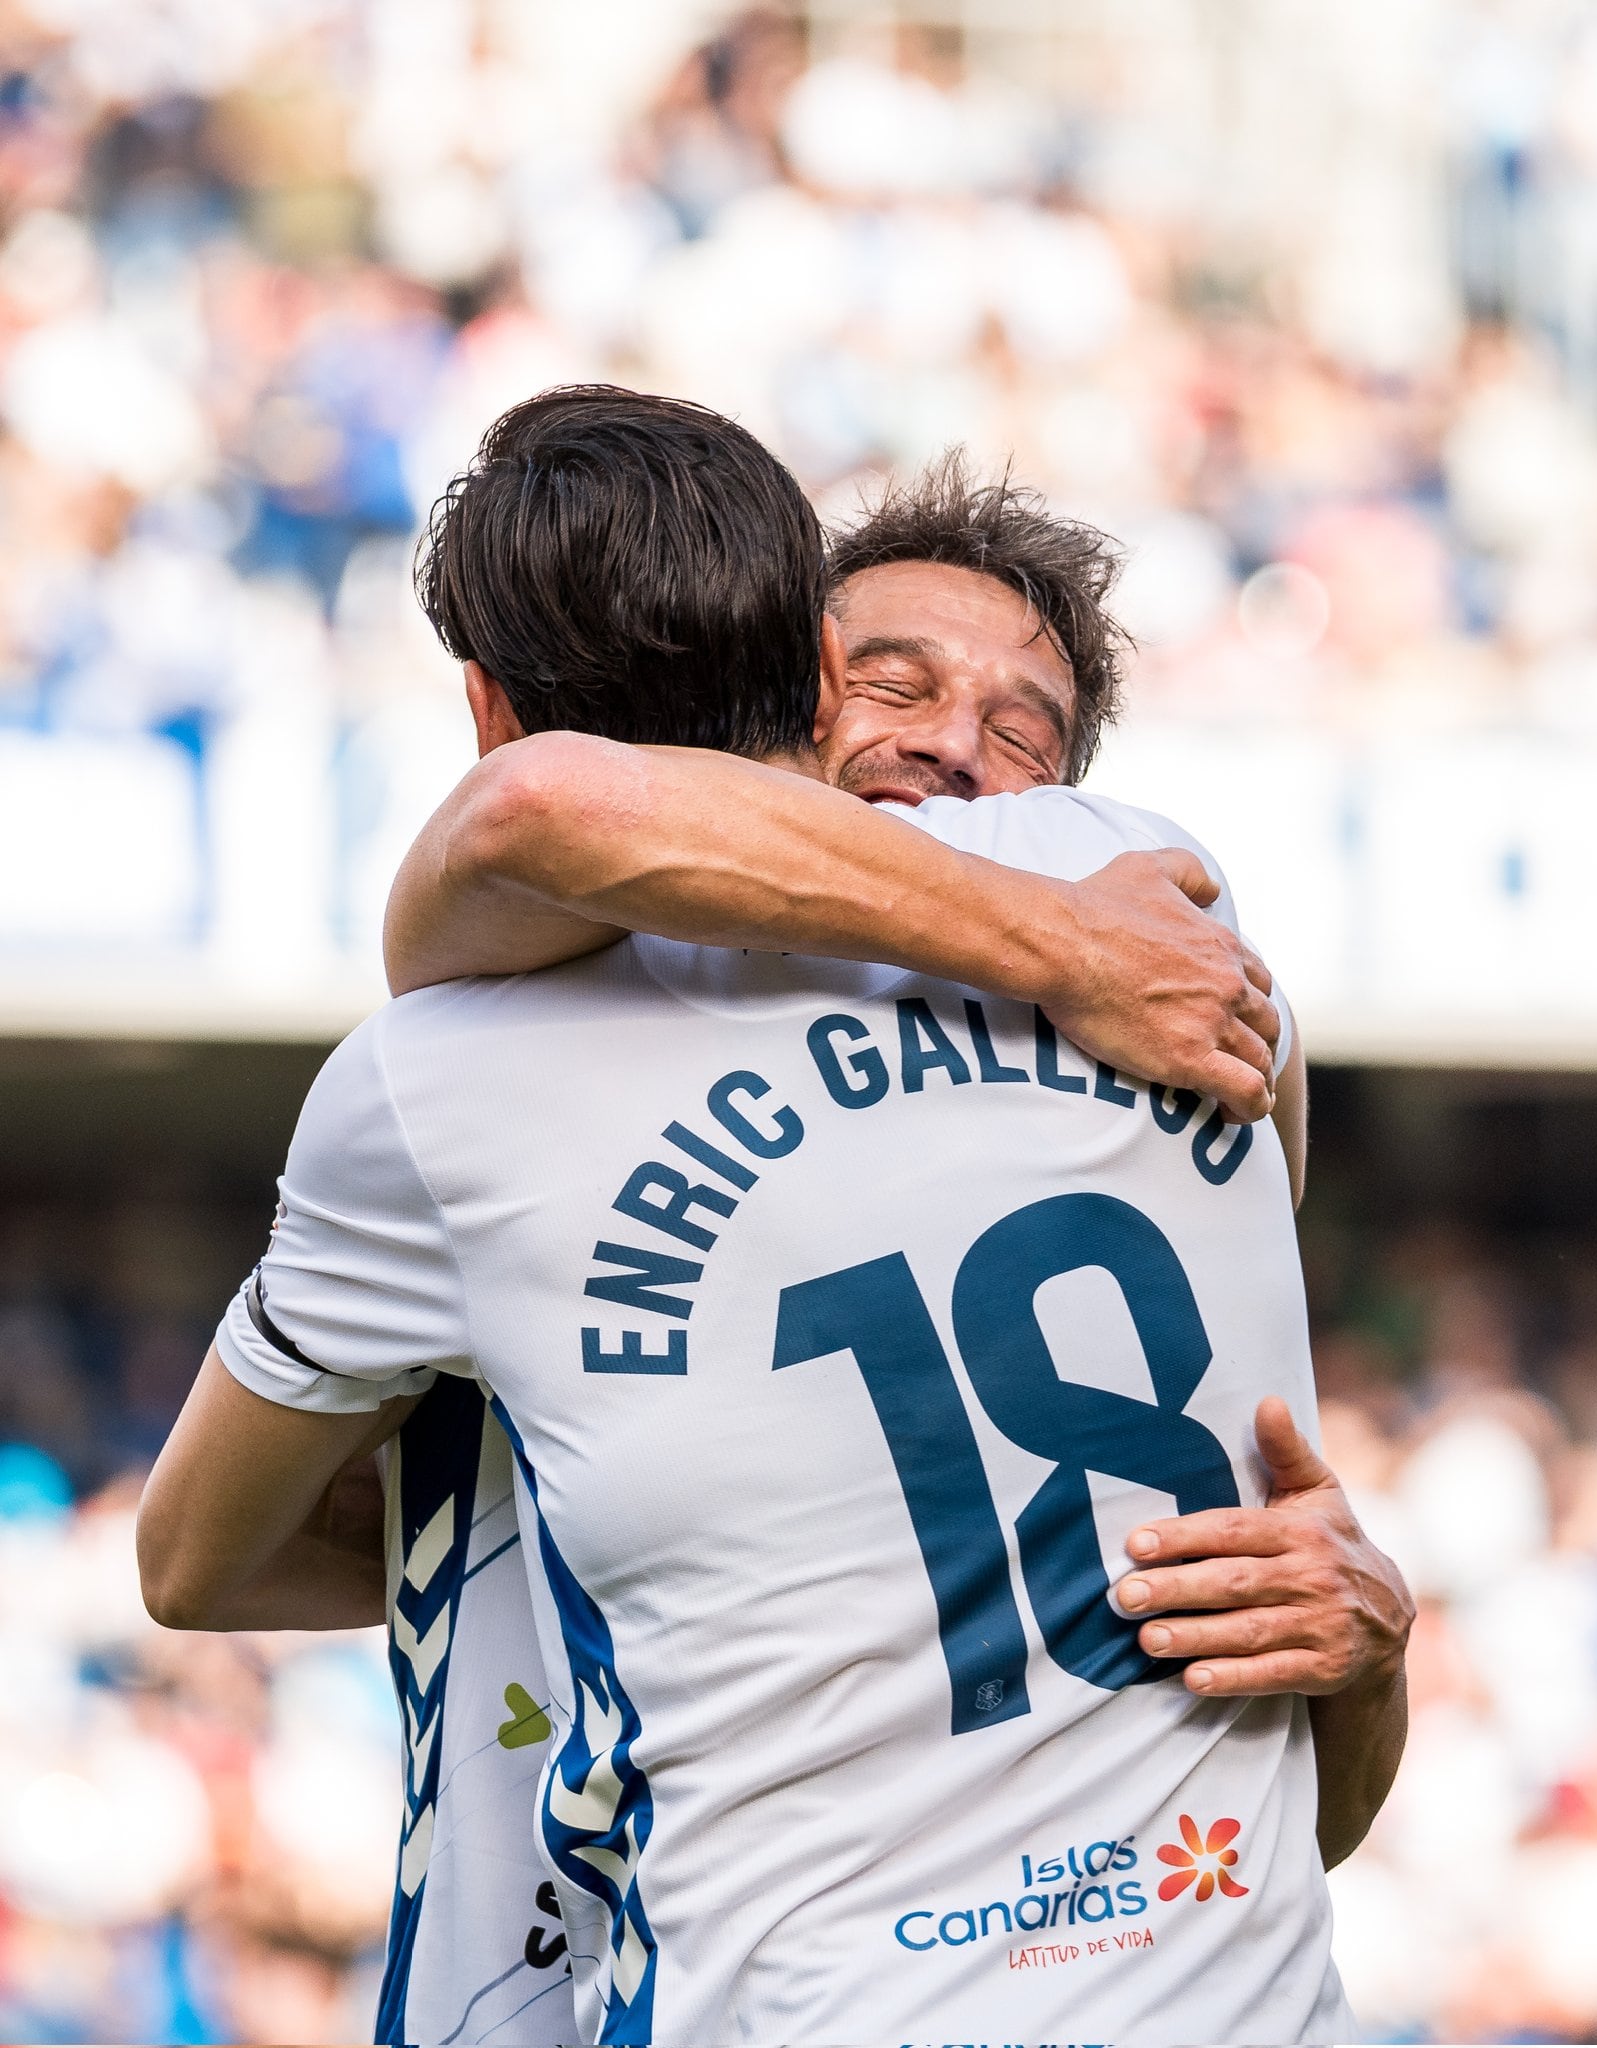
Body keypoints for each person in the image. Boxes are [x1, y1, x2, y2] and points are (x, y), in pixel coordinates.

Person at [139, 389, 1409, 2044]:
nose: (955, 747)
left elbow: (1288, 1823)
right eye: (894, 683)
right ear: (802, 687)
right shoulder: (1137, 899)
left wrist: (1366, 1656)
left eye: (1022, 733)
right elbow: (545, 826)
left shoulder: (443, 1083)